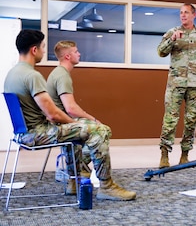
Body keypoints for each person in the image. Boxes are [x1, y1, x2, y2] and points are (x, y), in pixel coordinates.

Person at [4, 29, 136, 201]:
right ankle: (107, 186)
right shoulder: (32, 76)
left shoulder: (11, 74)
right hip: (37, 133)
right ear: (34, 50)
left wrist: (69, 124)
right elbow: (52, 115)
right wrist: (72, 123)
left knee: (73, 130)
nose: (44, 52)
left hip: (23, 133)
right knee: (100, 131)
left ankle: (74, 181)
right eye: (42, 48)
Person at [157, 3, 196, 168]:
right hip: (176, 83)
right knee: (170, 119)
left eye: (186, 13)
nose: (183, 15)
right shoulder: (173, 32)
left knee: (191, 120)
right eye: (181, 13)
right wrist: (172, 39)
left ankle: (185, 154)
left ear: (194, 15)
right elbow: (161, 52)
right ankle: (164, 155)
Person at [46, 40, 100, 180]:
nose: (79, 54)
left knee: (93, 127)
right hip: (58, 124)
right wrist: (93, 119)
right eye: (76, 52)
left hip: (57, 121)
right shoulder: (62, 75)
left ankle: (75, 167)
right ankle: (74, 168)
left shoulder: (58, 72)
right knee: (102, 130)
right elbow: (71, 109)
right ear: (68, 57)